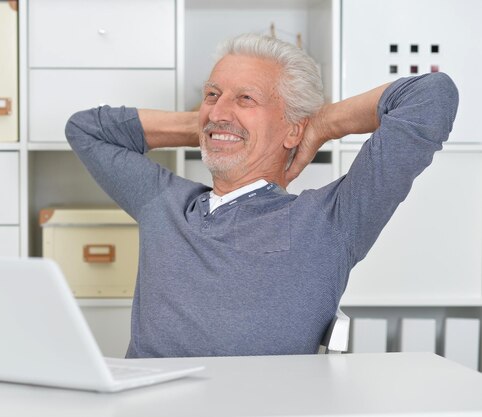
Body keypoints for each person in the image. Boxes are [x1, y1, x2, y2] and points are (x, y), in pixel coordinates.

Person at [65, 33, 458, 358]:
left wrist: (320, 124)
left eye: (245, 98)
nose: (219, 109)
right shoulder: (164, 202)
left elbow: (431, 96)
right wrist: (207, 124)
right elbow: (84, 129)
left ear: (292, 131)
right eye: (212, 94)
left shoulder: (332, 221)